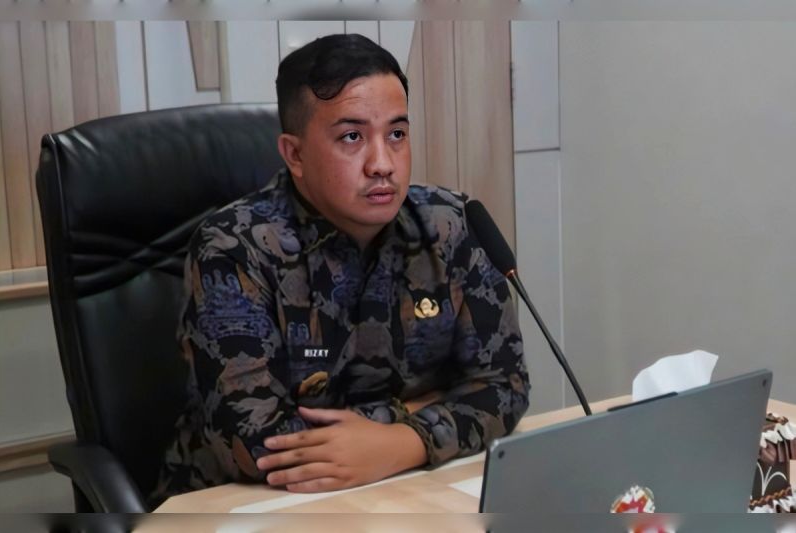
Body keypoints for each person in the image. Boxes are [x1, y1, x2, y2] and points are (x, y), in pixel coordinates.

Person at [152, 33, 529, 505]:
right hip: (245, 506)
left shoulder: (450, 225)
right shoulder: (235, 249)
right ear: (295, 155)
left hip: (400, 489)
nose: (382, 164)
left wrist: (401, 442)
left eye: (396, 134)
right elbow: (253, 443)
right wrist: (422, 411)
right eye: (352, 137)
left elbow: (506, 387)